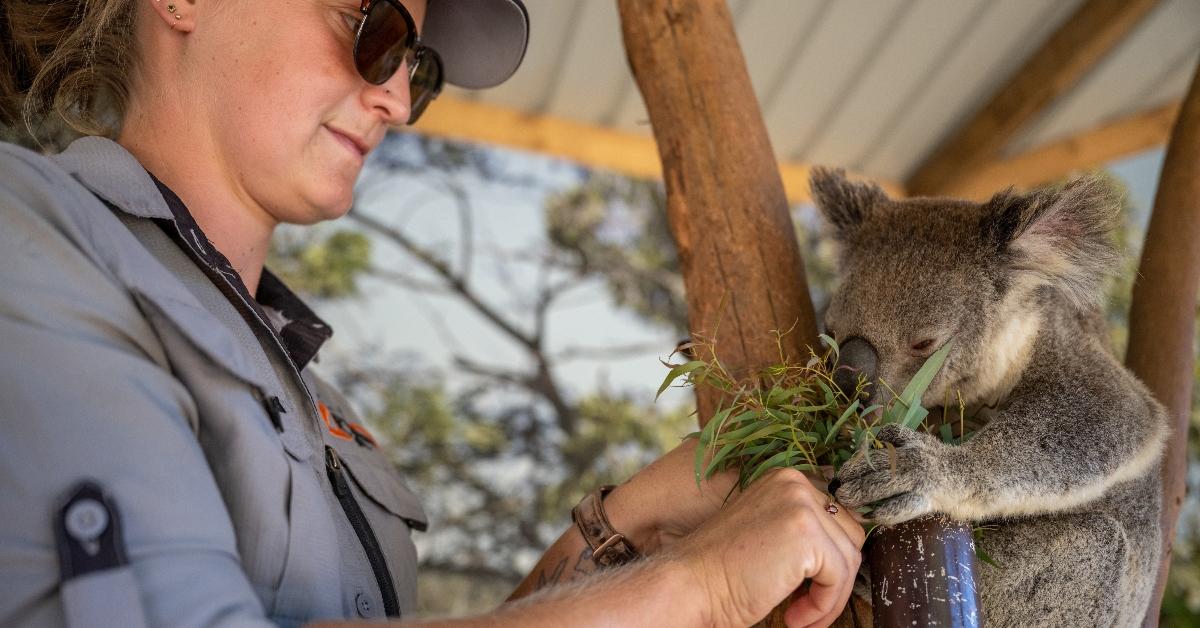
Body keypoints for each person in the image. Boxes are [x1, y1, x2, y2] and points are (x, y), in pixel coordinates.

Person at [0, 1, 866, 626]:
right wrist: (697, 590)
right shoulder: (28, 235)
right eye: (369, 29)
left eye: (420, 67)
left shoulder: (318, 399)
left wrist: (623, 527)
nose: (397, 100)